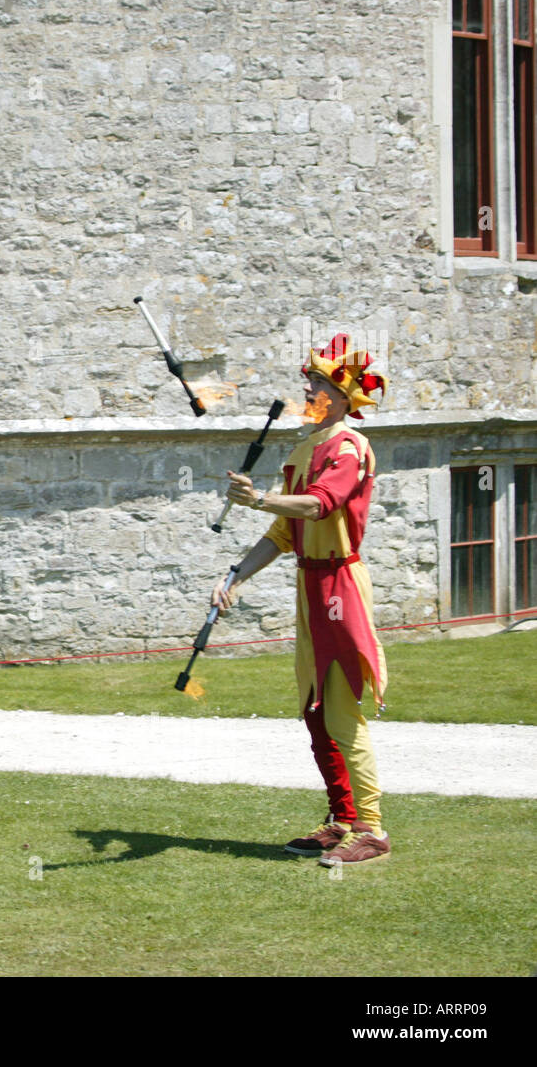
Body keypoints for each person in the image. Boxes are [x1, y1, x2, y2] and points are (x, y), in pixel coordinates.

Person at [212, 335, 390, 866]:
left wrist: (259, 496)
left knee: (341, 710)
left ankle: (372, 827)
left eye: (313, 385)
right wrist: (236, 575)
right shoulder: (303, 448)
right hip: (309, 585)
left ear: (337, 395)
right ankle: (341, 819)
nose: (306, 391)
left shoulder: (349, 447)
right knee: (315, 711)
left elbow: (319, 506)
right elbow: (285, 532)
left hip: (339, 584)